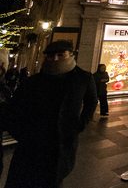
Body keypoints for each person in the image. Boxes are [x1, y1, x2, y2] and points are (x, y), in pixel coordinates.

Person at [1, 40, 97, 188]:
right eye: (51, 56)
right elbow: (15, 109)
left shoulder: (83, 77)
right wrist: (21, 133)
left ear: (71, 54)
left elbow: (91, 101)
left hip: (62, 141)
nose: (55, 58)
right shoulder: (33, 81)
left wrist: (81, 123)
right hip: (32, 142)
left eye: (61, 54)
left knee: (54, 179)